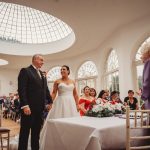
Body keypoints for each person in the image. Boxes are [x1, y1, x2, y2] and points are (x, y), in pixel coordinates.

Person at [18, 54, 53, 150]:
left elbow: (45, 89)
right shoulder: (25, 71)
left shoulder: (42, 74)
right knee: (25, 133)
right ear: (35, 60)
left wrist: (50, 101)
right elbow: (22, 90)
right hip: (28, 109)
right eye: (41, 60)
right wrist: (25, 105)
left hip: (39, 109)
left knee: (36, 133)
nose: (43, 62)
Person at [141, 45, 150, 109]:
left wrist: (143, 95)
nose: (141, 56)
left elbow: (147, 81)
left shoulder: (148, 62)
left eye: (142, 53)